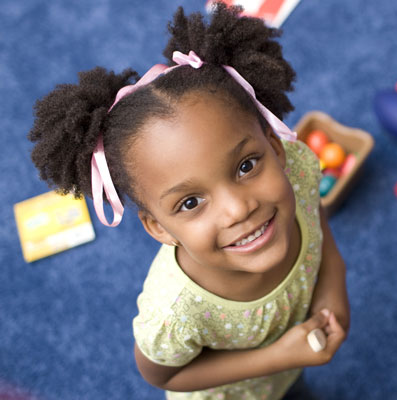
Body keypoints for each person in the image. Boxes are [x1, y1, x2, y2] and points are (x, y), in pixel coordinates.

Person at [27, 5, 349, 400]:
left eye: (247, 165)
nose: (238, 209)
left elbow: (318, 225)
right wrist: (278, 356)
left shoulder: (296, 171)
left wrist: (333, 284)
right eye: (191, 202)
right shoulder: (175, 312)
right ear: (159, 227)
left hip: (292, 367)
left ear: (275, 146)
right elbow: (162, 377)